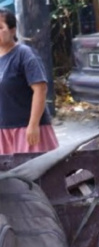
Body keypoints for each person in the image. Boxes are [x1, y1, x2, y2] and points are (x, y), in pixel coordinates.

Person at [0, 9, 58, 155]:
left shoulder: (24, 55)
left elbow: (40, 89)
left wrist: (33, 125)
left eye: (0, 27)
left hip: (27, 130)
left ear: (13, 30)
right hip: (3, 131)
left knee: (34, 175)